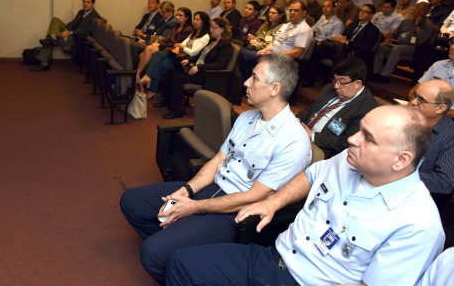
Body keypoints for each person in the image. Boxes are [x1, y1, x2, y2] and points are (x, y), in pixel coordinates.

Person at [166, 105, 445, 286]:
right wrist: (272, 201)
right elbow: (310, 175)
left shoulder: (418, 224)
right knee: (180, 264)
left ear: (401, 160)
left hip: (307, 282)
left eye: (368, 138)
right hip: (272, 257)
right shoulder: (348, 160)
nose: (352, 139)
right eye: (359, 129)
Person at [120, 54, 311, 283]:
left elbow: (254, 196)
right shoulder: (247, 118)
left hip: (233, 212)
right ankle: (176, 248)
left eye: (254, 78)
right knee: (131, 201)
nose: (246, 83)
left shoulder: (293, 141)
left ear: (274, 88)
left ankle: (177, 262)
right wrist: (187, 191)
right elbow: (218, 160)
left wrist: (193, 207)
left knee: (151, 254)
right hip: (210, 189)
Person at [154, 17, 234, 119]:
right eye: (211, 27)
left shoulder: (226, 45)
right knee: (170, 71)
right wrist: (189, 60)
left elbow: (220, 64)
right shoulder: (213, 41)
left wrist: (199, 67)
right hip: (200, 70)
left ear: (222, 29)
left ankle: (177, 109)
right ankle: (166, 100)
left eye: (214, 28)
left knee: (177, 77)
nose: (211, 30)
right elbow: (201, 55)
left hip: (208, 75)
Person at [297, 57, 377, 158]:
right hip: (301, 135)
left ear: (357, 84)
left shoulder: (367, 110)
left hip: (322, 150)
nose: (336, 86)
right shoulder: (329, 89)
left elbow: (345, 143)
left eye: (341, 82)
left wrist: (313, 136)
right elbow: (310, 110)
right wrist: (296, 121)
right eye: (335, 81)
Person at [410, 80, 454, 209]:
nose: (413, 102)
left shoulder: (451, 137)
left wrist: (398, 176)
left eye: (421, 100)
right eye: (415, 96)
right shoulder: (406, 120)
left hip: (418, 205)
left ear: (440, 108)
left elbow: (445, 182)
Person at [31, 0, 101, 71]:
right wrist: (66, 31)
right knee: (55, 20)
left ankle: (44, 62)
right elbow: (73, 23)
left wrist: (70, 33)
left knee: (48, 39)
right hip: (71, 32)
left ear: (93, 4)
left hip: (76, 38)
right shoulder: (81, 12)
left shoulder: (95, 16)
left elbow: (86, 31)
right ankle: (53, 37)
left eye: (88, 2)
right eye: (84, 2)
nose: (85, 4)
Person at [372, 2, 437, 84]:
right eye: (417, 8)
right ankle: (376, 72)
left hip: (415, 48)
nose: (419, 11)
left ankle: (384, 75)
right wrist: (389, 38)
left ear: (427, 12)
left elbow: (423, 40)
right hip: (398, 43)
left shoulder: (429, 26)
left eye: (422, 10)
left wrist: (417, 26)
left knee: (397, 49)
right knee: (381, 46)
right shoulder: (407, 21)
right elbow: (395, 33)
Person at [137, 7, 194, 90]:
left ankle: (138, 75)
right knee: (143, 54)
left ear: (187, 18)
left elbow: (176, 44)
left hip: (172, 52)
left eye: (180, 15)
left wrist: (160, 45)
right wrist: (159, 44)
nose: (177, 17)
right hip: (166, 48)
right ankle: (146, 79)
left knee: (149, 49)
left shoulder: (188, 29)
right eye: (177, 15)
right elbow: (166, 39)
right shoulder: (176, 27)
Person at [238, 6, 286, 85]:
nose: (270, 14)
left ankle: (246, 82)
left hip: (267, 53)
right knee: (238, 51)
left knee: (242, 54)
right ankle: (245, 81)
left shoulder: (282, 27)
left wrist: (257, 44)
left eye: (273, 13)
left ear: (280, 15)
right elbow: (258, 36)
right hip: (254, 48)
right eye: (269, 12)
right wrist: (253, 39)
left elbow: (273, 44)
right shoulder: (266, 24)